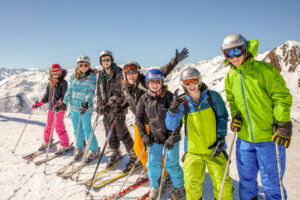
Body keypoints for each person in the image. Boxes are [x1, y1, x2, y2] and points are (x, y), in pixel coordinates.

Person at [222, 33, 293, 200]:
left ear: (245, 49)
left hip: (269, 138)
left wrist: (283, 123)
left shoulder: (264, 71)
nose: (234, 57)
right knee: (246, 182)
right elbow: (233, 101)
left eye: (237, 51)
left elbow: (281, 97)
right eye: (228, 53)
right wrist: (236, 117)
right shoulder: (230, 77)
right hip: (245, 140)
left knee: (272, 182)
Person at [121, 48, 189, 181]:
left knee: (151, 149)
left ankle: (163, 174)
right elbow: (130, 101)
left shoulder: (145, 82)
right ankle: (151, 170)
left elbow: (161, 73)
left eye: (134, 73)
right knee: (138, 147)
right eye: (128, 73)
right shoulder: (126, 87)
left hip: (152, 121)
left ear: (138, 73)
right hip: (140, 120)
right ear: (125, 75)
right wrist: (120, 108)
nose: (132, 76)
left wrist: (174, 61)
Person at [165, 67, 233, 200]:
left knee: (223, 185)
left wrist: (220, 137)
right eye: (187, 82)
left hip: (215, 148)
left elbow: (222, 116)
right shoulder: (182, 103)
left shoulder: (212, 97)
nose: (191, 85)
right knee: (191, 185)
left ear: (199, 81)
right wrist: (172, 111)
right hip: (193, 151)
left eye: (194, 81)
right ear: (182, 84)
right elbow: (170, 125)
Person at [136, 69, 185, 200]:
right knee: (152, 164)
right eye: (152, 82)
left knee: (171, 164)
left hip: (170, 138)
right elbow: (138, 118)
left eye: (158, 82)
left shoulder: (169, 97)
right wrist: (143, 134)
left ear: (162, 82)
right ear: (147, 83)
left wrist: (173, 136)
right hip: (154, 138)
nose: (155, 85)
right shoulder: (144, 98)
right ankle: (156, 186)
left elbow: (178, 118)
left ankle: (180, 187)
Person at [96, 50, 137, 173]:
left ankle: (134, 155)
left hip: (118, 108)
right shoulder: (101, 74)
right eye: (103, 60)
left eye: (108, 59)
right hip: (106, 110)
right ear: (101, 62)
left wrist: (109, 104)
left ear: (111, 60)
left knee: (122, 133)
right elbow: (99, 92)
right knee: (109, 133)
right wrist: (100, 104)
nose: (106, 62)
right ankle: (116, 152)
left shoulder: (119, 73)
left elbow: (120, 91)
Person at [56, 55, 99, 162]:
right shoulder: (73, 77)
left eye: (85, 65)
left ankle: (94, 149)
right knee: (77, 130)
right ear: (78, 65)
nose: (83, 67)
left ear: (88, 66)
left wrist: (86, 102)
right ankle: (80, 147)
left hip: (85, 108)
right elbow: (69, 91)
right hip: (74, 107)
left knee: (87, 129)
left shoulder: (92, 76)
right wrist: (64, 103)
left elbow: (90, 91)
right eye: (81, 65)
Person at [32, 64, 70, 154]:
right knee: (49, 125)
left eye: (57, 73)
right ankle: (47, 141)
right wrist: (39, 103)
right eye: (54, 73)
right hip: (51, 108)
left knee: (58, 125)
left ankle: (65, 144)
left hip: (60, 108)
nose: (55, 75)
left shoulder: (63, 83)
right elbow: (46, 96)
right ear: (50, 73)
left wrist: (59, 103)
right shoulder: (50, 83)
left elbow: (65, 96)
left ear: (60, 73)